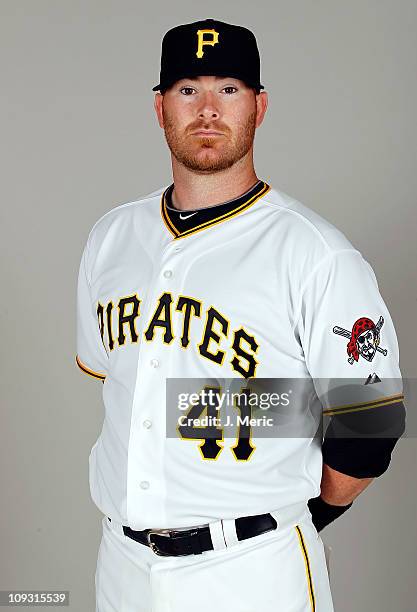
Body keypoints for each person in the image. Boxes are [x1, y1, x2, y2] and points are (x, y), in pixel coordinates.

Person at [76, 18, 406, 612]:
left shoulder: (316, 251)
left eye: (228, 89)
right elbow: (135, 389)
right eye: (187, 89)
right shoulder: (111, 237)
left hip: (252, 572)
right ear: (159, 108)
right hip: (122, 569)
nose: (207, 109)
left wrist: (298, 517)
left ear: (260, 106)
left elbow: (370, 426)